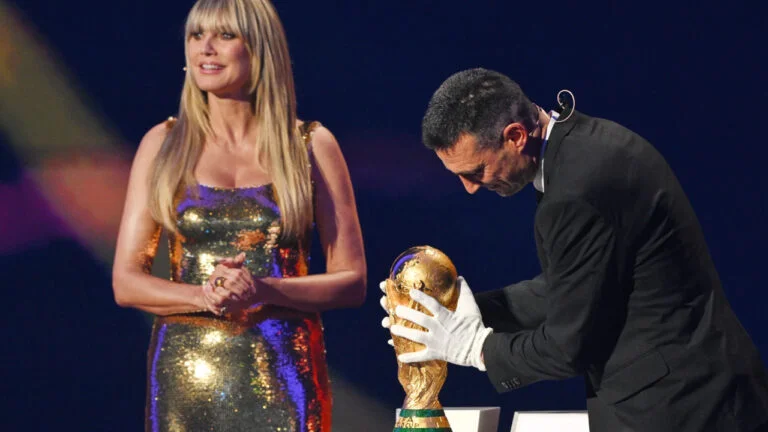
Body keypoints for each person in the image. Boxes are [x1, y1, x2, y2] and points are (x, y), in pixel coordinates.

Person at [380, 68, 768, 432]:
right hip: (695, 393)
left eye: (476, 171)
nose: (470, 188)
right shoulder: (584, 149)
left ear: (515, 136)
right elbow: (577, 285)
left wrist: (475, 347)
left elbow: (568, 346)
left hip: (683, 407)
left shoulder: (576, 191)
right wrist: (460, 310)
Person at [112, 0, 366, 430]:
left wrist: (261, 290)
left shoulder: (310, 145)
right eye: (197, 36)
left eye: (225, 35)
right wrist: (205, 295)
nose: (206, 48)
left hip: (284, 375)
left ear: (259, 49)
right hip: (187, 381)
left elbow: (352, 280)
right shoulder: (163, 144)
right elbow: (126, 282)